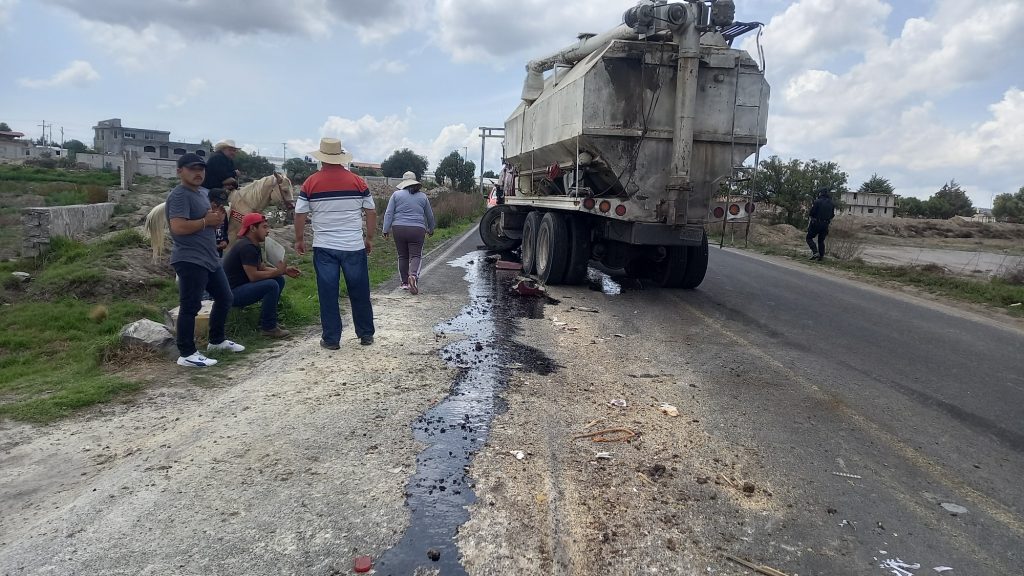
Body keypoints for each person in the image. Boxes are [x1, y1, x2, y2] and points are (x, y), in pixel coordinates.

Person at [294, 137, 376, 349]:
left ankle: (331, 339)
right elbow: (371, 211)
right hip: (353, 246)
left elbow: (300, 213)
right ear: (340, 158)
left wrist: (300, 239)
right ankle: (366, 334)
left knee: (328, 293)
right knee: (359, 291)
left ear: (321, 159)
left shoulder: (310, 183)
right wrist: (369, 238)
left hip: (325, 247)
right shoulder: (358, 181)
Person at [165, 152, 245, 367]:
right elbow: (178, 227)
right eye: (192, 169)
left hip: (209, 257)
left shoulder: (202, 192)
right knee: (190, 306)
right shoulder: (180, 195)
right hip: (190, 258)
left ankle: (216, 341)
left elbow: (207, 219)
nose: (198, 173)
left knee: (225, 297)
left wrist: (215, 220)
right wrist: (205, 222)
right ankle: (187, 353)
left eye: (201, 169)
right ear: (180, 171)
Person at [223, 212, 299, 338]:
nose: (268, 231)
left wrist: (284, 271)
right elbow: (253, 276)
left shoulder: (252, 244)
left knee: (279, 280)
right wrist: (277, 271)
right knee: (271, 285)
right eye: (264, 227)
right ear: (252, 228)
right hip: (232, 294)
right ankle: (268, 327)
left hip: (240, 288)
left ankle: (267, 321)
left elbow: (261, 267)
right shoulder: (247, 247)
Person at [382, 171, 435, 294]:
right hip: (417, 229)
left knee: (402, 256)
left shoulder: (396, 195)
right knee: (416, 255)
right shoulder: (423, 197)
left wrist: (385, 229)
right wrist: (431, 229)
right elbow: (429, 215)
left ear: (403, 183)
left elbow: (389, 213)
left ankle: (405, 282)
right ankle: (413, 275)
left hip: (398, 228)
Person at [806, 186, 836, 260]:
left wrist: (812, 218)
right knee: (821, 241)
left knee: (809, 238)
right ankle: (821, 257)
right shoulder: (831, 203)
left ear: (820, 193)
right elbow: (832, 215)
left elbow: (811, 213)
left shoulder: (817, 201)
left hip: (816, 223)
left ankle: (815, 252)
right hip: (826, 224)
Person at [207, 187, 230, 256]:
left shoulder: (223, 213)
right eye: (216, 204)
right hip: (206, 253)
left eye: (222, 204)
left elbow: (225, 230)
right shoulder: (204, 215)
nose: (220, 206)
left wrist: (225, 241)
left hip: (218, 254)